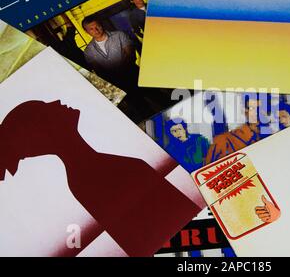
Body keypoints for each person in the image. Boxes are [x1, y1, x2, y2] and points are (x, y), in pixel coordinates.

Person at [0, 100, 200, 256]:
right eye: (45, 109)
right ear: (44, 133)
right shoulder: (89, 175)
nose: (56, 102)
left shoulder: (88, 172)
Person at [205, 94, 273, 164]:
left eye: (262, 109)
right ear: (246, 112)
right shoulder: (222, 141)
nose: (258, 114)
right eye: (253, 109)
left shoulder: (274, 139)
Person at [82, 16, 139, 92]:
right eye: (91, 29)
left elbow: (131, 55)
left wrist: (122, 72)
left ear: (101, 25)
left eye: (97, 26)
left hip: (135, 75)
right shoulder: (88, 51)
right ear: (86, 31)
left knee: (155, 96)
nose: (96, 30)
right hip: (118, 85)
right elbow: (99, 71)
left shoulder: (119, 35)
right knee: (137, 103)